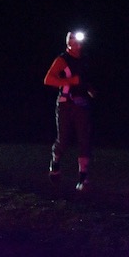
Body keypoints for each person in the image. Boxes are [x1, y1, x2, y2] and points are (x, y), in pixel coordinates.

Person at [44, 30, 95, 192]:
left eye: (81, 41)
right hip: (66, 104)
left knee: (84, 139)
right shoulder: (62, 60)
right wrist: (70, 81)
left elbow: (84, 81)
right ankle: (55, 162)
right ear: (69, 42)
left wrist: (89, 89)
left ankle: (83, 179)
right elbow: (48, 79)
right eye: (75, 41)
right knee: (64, 139)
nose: (79, 44)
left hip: (82, 104)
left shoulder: (84, 60)